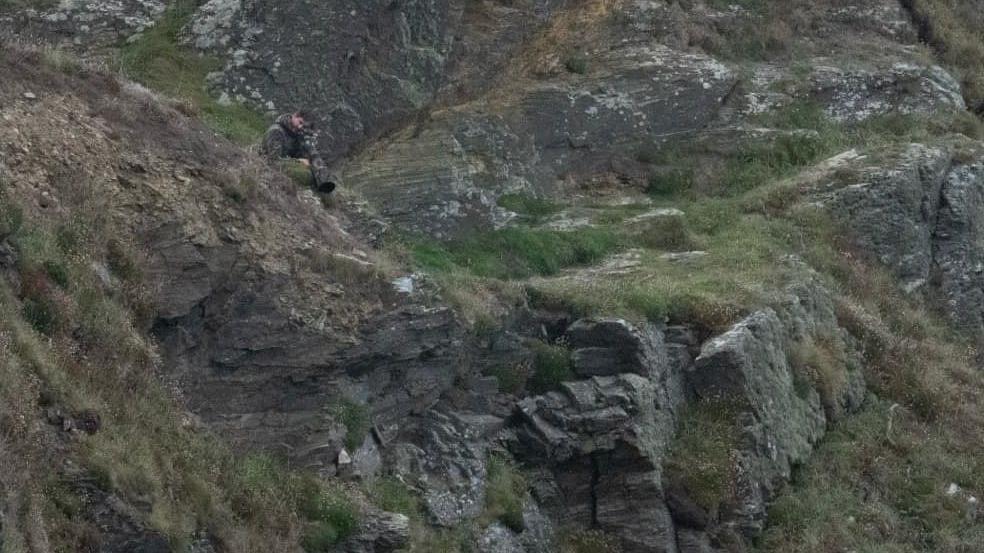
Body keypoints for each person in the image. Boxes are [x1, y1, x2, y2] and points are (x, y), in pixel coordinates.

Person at [260, 110, 338, 193]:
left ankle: (324, 184)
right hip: (268, 164)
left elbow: (298, 153)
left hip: (286, 162)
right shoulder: (276, 131)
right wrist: (298, 162)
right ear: (294, 116)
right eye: (300, 122)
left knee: (313, 170)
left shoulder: (295, 132)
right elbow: (273, 160)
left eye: (303, 125)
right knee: (308, 176)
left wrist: (310, 153)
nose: (300, 127)